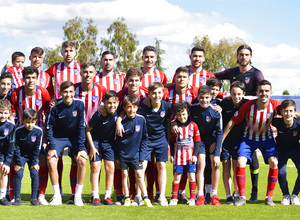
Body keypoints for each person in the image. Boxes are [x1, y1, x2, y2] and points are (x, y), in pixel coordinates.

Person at [223, 80, 280, 206]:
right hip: (248, 139)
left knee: (274, 162)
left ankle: (268, 197)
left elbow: (290, 112)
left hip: (267, 139)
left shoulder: (276, 105)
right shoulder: (248, 105)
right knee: (240, 161)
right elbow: (232, 122)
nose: (263, 94)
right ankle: (242, 197)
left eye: (266, 91)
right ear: (256, 93)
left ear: (271, 93)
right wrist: (220, 142)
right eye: (261, 91)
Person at [9, 66, 50, 204]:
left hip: (38, 134)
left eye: (33, 77)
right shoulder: (16, 93)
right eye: (28, 77)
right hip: (20, 134)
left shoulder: (43, 93)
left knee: (41, 162)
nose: (30, 80)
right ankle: (14, 195)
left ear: (37, 79)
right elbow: (11, 115)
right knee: (16, 164)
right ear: (23, 78)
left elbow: (48, 115)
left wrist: (44, 137)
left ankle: (40, 195)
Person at [46, 41, 81, 200]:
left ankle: (76, 194)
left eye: (71, 50)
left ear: (75, 52)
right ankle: (57, 193)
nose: (68, 53)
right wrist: (52, 98)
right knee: (55, 159)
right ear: (61, 52)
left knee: (78, 160)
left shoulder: (81, 68)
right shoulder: (54, 67)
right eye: (65, 50)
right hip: (59, 113)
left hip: (76, 111)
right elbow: (42, 77)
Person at [46, 81, 87, 206]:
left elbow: (81, 127)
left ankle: (78, 196)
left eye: (70, 92)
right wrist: (52, 147)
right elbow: (49, 128)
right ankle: (57, 196)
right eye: (65, 92)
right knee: (51, 159)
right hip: (59, 138)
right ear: (60, 93)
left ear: (74, 92)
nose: (68, 94)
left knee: (82, 160)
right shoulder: (55, 107)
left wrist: (80, 148)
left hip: (74, 137)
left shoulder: (80, 104)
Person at [138, 82, 171, 206]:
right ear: (149, 94)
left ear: (163, 93)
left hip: (161, 140)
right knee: (142, 167)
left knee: (161, 166)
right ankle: (141, 196)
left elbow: (168, 123)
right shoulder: (143, 106)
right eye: (154, 93)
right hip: (146, 140)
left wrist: (167, 141)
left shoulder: (167, 106)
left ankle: (161, 196)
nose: (157, 95)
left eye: (159, 93)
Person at [116, 95, 152, 207]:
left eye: (134, 107)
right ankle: (127, 198)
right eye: (129, 107)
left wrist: (142, 155)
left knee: (140, 175)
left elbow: (145, 138)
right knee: (124, 175)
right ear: (125, 108)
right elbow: (117, 140)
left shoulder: (141, 119)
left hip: (136, 154)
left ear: (137, 107)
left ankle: (146, 198)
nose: (131, 109)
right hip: (123, 153)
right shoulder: (121, 122)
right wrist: (117, 156)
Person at [190, 85, 223, 206]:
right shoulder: (193, 109)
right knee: (201, 163)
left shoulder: (216, 111)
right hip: (200, 141)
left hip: (212, 140)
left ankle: (214, 195)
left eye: (207, 97)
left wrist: (217, 152)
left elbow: (219, 132)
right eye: (202, 97)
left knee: (215, 163)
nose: (204, 100)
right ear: (198, 97)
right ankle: (200, 195)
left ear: (211, 97)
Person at [86, 90, 119, 206]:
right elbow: (87, 130)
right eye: (109, 103)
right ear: (104, 103)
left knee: (110, 168)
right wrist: (91, 147)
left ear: (118, 103)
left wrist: (119, 121)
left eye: (114, 103)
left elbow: (125, 112)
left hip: (109, 143)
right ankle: (95, 196)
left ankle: (107, 196)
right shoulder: (99, 114)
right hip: (95, 142)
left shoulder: (118, 113)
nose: (112, 105)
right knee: (95, 167)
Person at [219, 81, 248, 204]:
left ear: (243, 94)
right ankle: (228, 195)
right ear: (230, 93)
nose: (236, 97)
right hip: (225, 140)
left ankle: (237, 193)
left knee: (237, 166)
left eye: (239, 94)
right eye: (234, 94)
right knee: (226, 166)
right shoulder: (224, 103)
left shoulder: (247, 103)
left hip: (240, 140)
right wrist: (220, 143)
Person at [169, 101, 200, 206]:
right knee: (177, 176)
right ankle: (174, 198)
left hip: (190, 157)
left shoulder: (193, 126)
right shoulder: (175, 128)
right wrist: (172, 155)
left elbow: (197, 141)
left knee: (191, 176)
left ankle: (192, 198)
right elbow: (172, 141)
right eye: (179, 115)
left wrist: (195, 155)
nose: (182, 117)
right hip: (178, 157)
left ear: (188, 113)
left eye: (183, 114)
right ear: (176, 115)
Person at [272, 99, 300, 205]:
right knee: (282, 173)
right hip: (281, 150)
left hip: (296, 149)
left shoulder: (298, 124)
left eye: (291, 111)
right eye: (286, 111)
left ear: (295, 112)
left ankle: (295, 195)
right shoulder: (277, 122)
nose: (289, 114)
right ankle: (286, 195)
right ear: (282, 112)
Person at [13, 108, 42, 206]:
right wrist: (19, 163)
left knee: (34, 173)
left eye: (32, 122)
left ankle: (34, 199)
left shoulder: (39, 131)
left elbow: (37, 148)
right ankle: (17, 198)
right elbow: (16, 148)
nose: (30, 125)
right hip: (21, 155)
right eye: (27, 122)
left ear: (36, 121)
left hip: (32, 156)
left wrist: (34, 162)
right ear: (22, 121)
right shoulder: (18, 131)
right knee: (19, 174)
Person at [0, 99, 15, 206]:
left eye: (5, 113)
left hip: (4, 153)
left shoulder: (11, 126)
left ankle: (2, 196)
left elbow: (11, 145)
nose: (3, 115)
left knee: (4, 169)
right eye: (0, 112)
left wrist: (7, 162)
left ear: (9, 113)